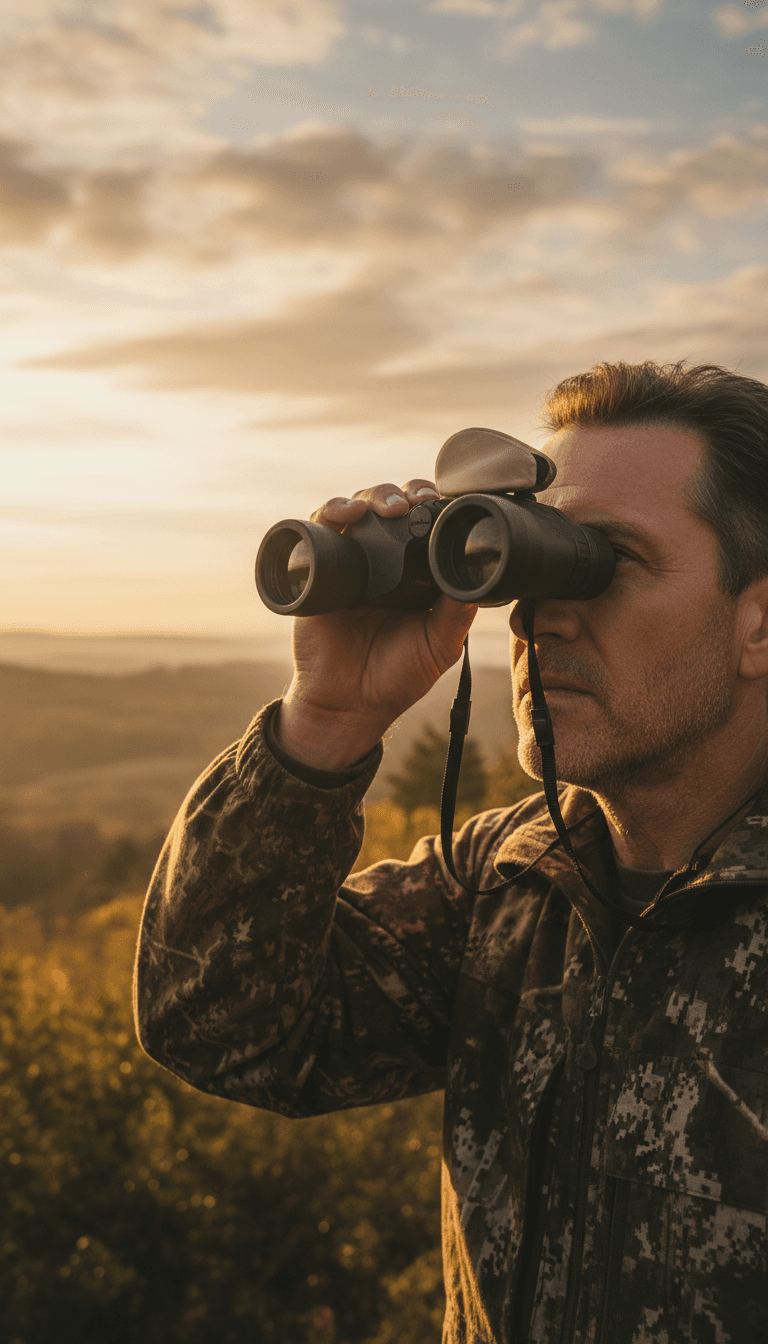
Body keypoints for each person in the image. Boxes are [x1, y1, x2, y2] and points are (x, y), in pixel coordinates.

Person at [134, 358, 768, 1343]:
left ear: (759, 620)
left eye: (604, 563)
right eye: (532, 558)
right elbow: (224, 1026)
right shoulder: (511, 879)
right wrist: (327, 722)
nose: (538, 613)